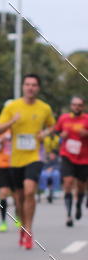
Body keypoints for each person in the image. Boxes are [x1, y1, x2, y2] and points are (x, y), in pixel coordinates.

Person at [0, 73, 55, 250]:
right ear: (23, 87)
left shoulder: (44, 108)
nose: (30, 88)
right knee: (19, 198)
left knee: (29, 191)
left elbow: (53, 126)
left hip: (35, 157)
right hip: (16, 160)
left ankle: (28, 230)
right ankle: (22, 226)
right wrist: (11, 122)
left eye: (34, 85)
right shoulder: (12, 107)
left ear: (38, 88)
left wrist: (45, 133)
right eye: (27, 84)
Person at [54, 96, 88, 226]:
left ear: (83, 107)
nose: (76, 107)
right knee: (67, 182)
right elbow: (56, 132)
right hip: (67, 155)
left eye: (79, 105)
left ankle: (78, 205)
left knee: (81, 186)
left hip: (84, 158)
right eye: (74, 104)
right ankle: (68, 215)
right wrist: (60, 136)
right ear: (71, 106)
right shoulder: (64, 118)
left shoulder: (86, 119)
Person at [0, 120, 18, 232]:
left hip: (16, 164)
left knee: (16, 194)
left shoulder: (18, 126)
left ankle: (18, 217)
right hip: (2, 165)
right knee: (3, 193)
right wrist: (0, 141)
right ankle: (3, 221)